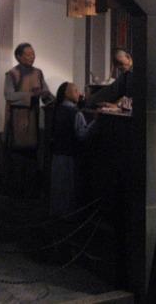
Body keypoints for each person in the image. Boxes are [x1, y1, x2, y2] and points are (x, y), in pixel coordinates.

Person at [3, 42, 54, 198]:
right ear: (18, 57)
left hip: (33, 117)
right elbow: (9, 95)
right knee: (18, 155)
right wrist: (31, 95)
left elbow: (46, 93)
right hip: (17, 119)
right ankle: (16, 193)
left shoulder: (38, 73)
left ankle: (31, 192)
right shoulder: (12, 74)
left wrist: (54, 100)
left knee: (33, 155)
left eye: (33, 54)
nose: (32, 57)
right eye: (28, 54)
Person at [51, 82, 97, 215]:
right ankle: (68, 216)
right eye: (76, 90)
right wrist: (95, 121)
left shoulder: (57, 109)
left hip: (57, 154)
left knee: (58, 188)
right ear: (66, 93)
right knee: (68, 189)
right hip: (70, 155)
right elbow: (82, 134)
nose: (80, 94)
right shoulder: (75, 113)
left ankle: (57, 214)